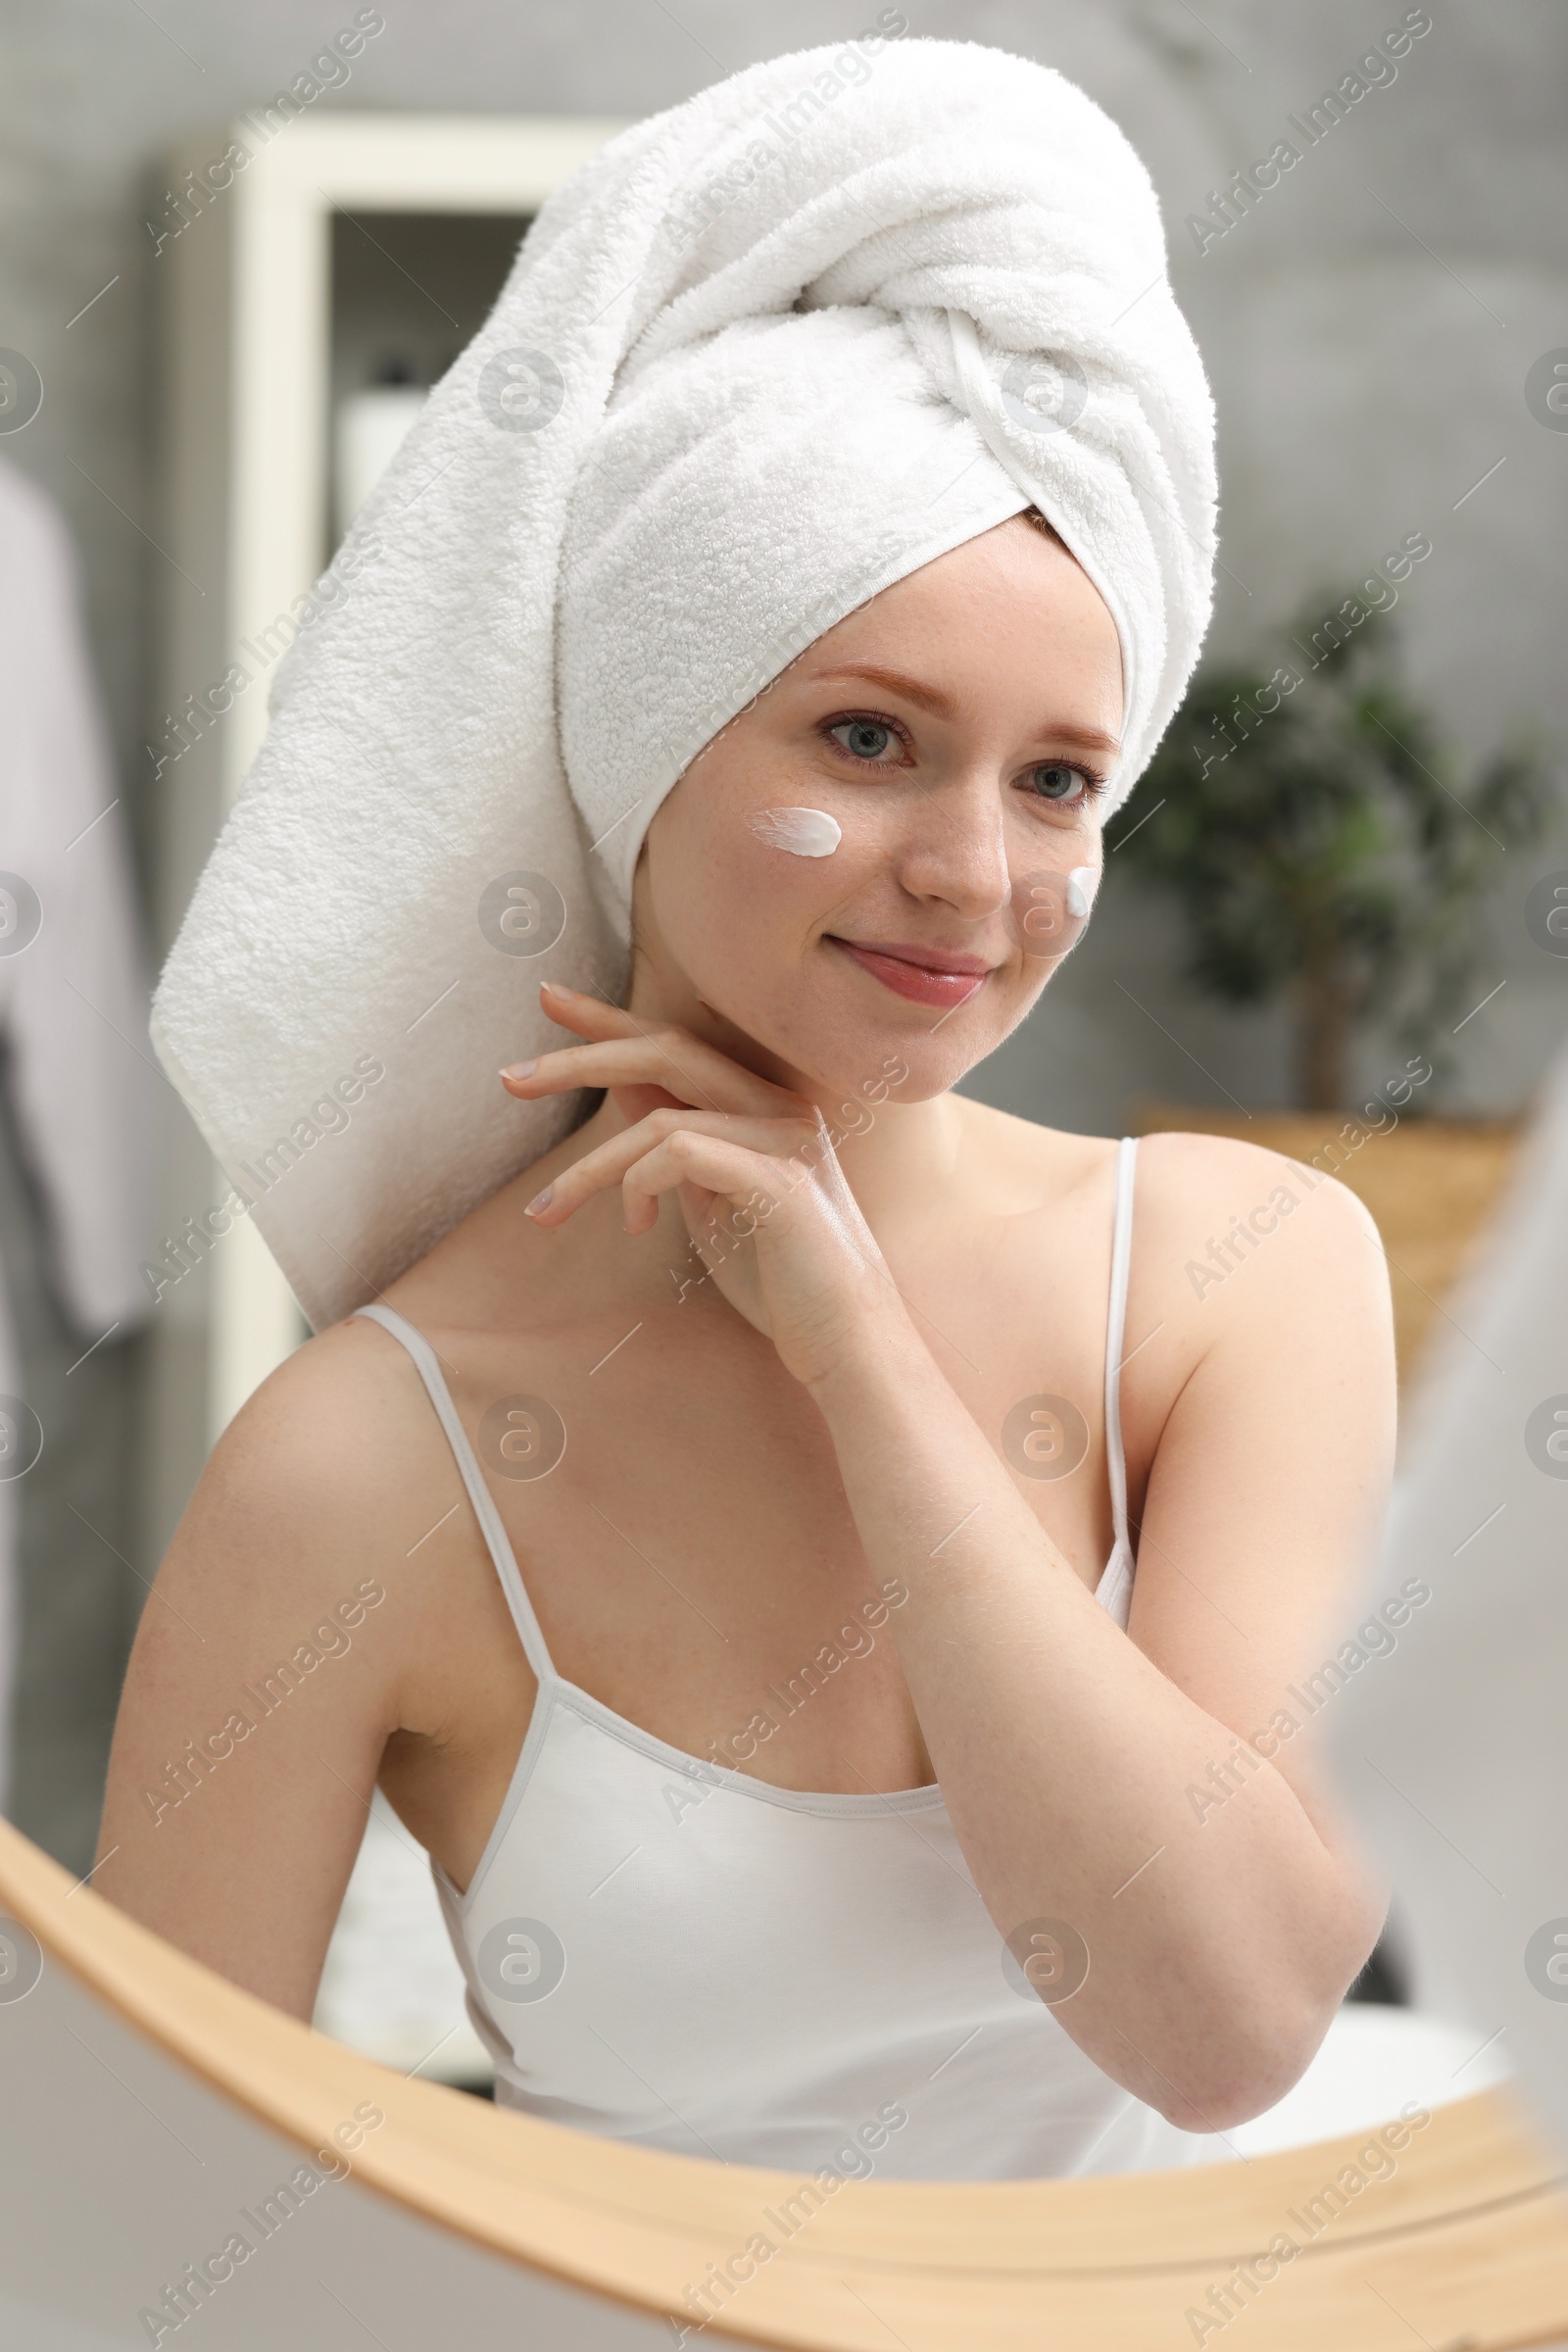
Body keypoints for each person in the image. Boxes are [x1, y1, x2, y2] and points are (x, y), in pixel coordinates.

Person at [98, 37, 1393, 2181]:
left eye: (1056, 777)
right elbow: (139, 2223)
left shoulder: (1236, 1274)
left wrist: (852, 1345)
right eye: (867, 738)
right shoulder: (363, 1460)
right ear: (645, 734)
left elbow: (1228, 2022)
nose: (976, 878)